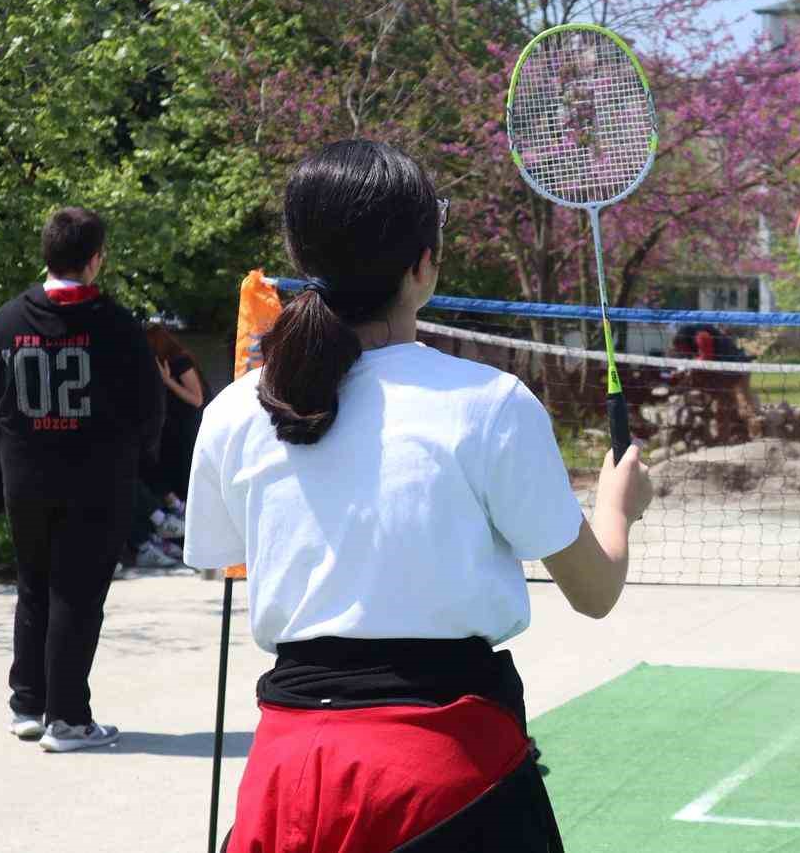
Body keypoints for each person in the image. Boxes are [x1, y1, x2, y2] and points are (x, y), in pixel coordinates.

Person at [183, 140, 652, 852]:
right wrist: (619, 505)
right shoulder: (491, 403)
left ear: (301, 254)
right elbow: (594, 590)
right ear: (424, 264)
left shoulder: (234, 409)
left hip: (288, 776)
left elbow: (226, 554)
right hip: (446, 774)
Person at [0, 207, 165, 751]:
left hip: (26, 479)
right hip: (96, 482)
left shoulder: (6, 322)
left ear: (46, 254)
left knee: (34, 586)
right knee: (77, 593)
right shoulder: (117, 326)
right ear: (95, 259)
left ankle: (27, 705)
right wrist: (135, 455)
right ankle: (68, 720)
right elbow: (149, 409)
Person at [144, 323, 210, 503]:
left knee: (183, 467)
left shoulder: (180, 361)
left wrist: (168, 381)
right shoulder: (161, 364)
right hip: (174, 425)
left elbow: (197, 399)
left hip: (189, 425)